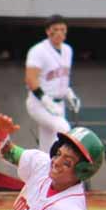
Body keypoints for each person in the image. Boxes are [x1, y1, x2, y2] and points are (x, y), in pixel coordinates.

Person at [24, 15, 80, 153]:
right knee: (63, 128)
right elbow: (30, 80)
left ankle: (44, 172)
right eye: (56, 29)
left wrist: (70, 95)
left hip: (58, 103)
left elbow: (62, 78)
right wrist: (46, 100)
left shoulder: (67, 50)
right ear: (48, 31)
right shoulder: (38, 50)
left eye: (63, 29)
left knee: (48, 146)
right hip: (39, 103)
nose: (60, 32)